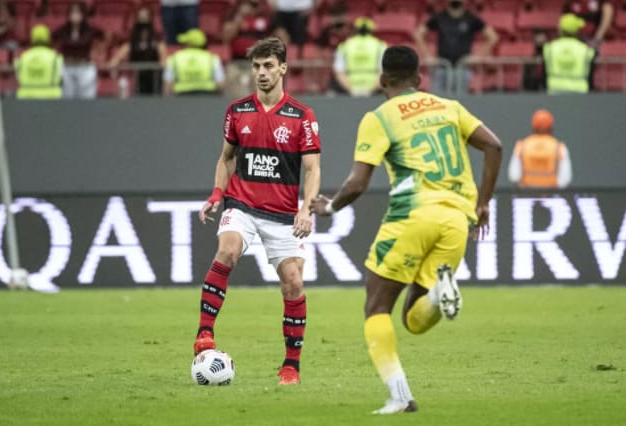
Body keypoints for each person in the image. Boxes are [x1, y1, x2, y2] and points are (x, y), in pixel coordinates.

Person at [310, 45, 502, 414]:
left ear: (383, 81)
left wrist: (330, 206)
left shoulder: (379, 117)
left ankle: (400, 396)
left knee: (376, 306)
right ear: (419, 79)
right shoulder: (449, 107)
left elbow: (358, 183)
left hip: (413, 215)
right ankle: (437, 295)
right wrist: (483, 202)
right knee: (414, 318)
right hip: (457, 222)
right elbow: (494, 145)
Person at [194, 37, 321, 386]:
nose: (261, 73)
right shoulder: (238, 111)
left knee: (293, 282)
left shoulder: (301, 116)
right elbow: (227, 157)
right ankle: (205, 334)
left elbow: (312, 169)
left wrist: (306, 209)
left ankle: (290, 366)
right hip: (243, 204)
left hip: (282, 213)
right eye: (256, 66)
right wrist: (218, 193)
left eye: (268, 66)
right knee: (227, 249)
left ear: (283, 68)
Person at [413, 0, 498, 94]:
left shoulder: (471, 18)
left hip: (462, 68)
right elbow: (418, 34)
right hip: (442, 67)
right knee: (439, 102)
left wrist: (478, 56)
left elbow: (493, 37)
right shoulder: (439, 17)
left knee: (460, 101)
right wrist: (427, 56)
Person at [108, 6, 167, 96]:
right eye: (141, 17)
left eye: (146, 17)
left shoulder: (157, 40)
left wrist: (163, 65)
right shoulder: (133, 40)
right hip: (137, 79)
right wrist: (115, 63)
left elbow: (163, 59)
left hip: (154, 79)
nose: (143, 19)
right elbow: (118, 56)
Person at [52, 1, 106, 99]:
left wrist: (100, 52)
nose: (75, 15)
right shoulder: (62, 30)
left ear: (83, 14)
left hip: (85, 68)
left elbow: (106, 37)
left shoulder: (90, 29)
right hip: (67, 68)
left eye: (78, 12)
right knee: (67, 101)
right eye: (72, 12)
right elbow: (51, 41)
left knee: (87, 101)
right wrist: (56, 55)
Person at [508, 109, 572, 188]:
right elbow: (565, 179)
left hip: (526, 196)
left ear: (533, 126)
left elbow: (514, 176)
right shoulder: (559, 147)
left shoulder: (522, 146)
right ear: (551, 127)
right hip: (552, 196)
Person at [332, 17, 387, 96]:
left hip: (349, 89)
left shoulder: (344, 46)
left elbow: (339, 72)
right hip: (374, 91)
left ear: (355, 30)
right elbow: (382, 72)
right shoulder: (380, 45)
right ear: (372, 31)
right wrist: (370, 90)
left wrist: (352, 90)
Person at [543, 14, 595, 94]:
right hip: (579, 92)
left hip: (555, 91)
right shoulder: (586, 49)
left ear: (560, 30)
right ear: (577, 30)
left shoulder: (549, 48)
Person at [162, 29, 225, 95]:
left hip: (181, 97)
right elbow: (220, 85)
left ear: (189, 44)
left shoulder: (174, 58)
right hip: (207, 97)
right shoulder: (212, 59)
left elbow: (167, 86)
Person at [14, 24, 64, 99]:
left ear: (32, 38)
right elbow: (61, 77)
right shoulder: (55, 57)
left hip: (26, 97)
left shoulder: (23, 57)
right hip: (51, 97)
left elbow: (18, 76)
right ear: (48, 38)